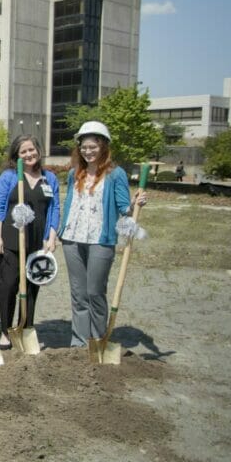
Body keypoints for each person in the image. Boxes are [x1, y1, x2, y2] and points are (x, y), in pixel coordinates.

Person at [59, 121, 146, 347]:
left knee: (94, 292)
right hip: (71, 238)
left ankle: (98, 340)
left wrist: (135, 203)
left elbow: (123, 207)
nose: (88, 151)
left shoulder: (116, 174)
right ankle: (79, 343)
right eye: (84, 147)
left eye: (93, 147)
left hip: (101, 240)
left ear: (104, 146)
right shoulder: (73, 174)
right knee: (78, 294)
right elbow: (71, 203)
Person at [0, 135, 60, 350]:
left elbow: (54, 208)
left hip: (37, 242)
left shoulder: (49, 178)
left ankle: (26, 328)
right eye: (23, 152)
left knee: (31, 287)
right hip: (11, 239)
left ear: (38, 150)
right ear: (16, 156)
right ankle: (5, 331)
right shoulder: (9, 177)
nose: (29, 155)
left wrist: (52, 236)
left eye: (31, 150)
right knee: (8, 286)